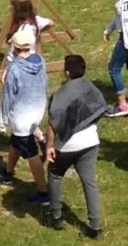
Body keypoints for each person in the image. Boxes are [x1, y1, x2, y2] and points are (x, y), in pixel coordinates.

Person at [45, 53, 108, 235]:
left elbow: (53, 125)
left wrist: (49, 146)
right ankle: (95, 227)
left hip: (66, 146)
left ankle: (56, 217)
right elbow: (100, 109)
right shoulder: (91, 88)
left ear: (67, 72)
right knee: (89, 182)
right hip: (90, 143)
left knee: (55, 175)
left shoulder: (60, 95)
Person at [0, 16, 52, 191]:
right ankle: (7, 172)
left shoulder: (15, 68)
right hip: (37, 111)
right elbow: (45, 84)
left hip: (22, 117)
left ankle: (43, 191)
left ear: (14, 47)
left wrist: (2, 120)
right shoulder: (40, 61)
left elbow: (8, 96)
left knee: (30, 153)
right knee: (17, 143)